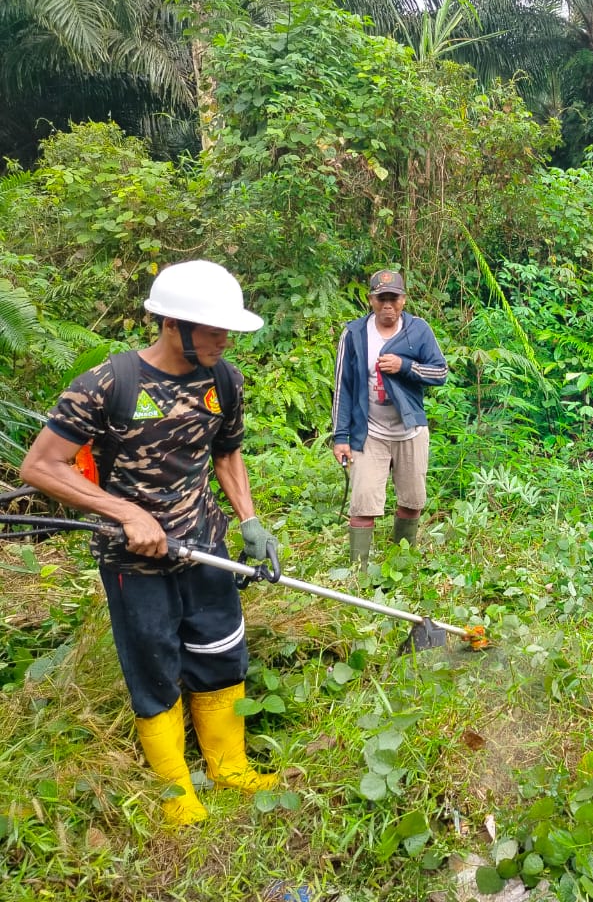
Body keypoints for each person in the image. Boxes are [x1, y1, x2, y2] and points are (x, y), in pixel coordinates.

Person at [19, 259, 279, 826]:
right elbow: (41, 466)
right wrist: (125, 511)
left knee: (219, 651)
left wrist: (250, 520)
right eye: (212, 329)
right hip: (132, 559)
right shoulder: (108, 384)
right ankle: (175, 792)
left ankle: (229, 765)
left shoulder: (224, 379)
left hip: (205, 543)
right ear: (170, 323)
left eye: (226, 330)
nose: (223, 339)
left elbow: (226, 452)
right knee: (154, 664)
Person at [332, 270, 448, 569]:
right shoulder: (354, 334)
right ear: (371, 300)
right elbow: (342, 387)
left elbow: (440, 372)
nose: (388, 305)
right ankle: (359, 572)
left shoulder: (419, 330)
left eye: (393, 298)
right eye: (381, 298)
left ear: (403, 300)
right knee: (363, 505)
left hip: (410, 430)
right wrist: (340, 436)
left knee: (412, 502)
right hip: (368, 431)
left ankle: (402, 565)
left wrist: (405, 366)